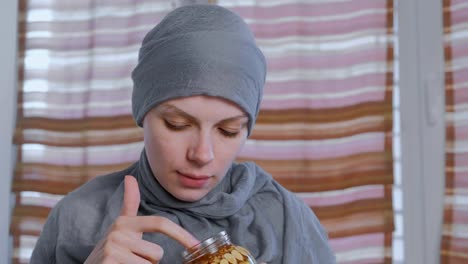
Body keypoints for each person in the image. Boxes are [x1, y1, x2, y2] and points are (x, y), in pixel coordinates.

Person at [30, 4, 336, 264]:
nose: (203, 155)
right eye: (177, 124)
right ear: (142, 112)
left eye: (228, 130)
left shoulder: (285, 220)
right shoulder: (77, 219)